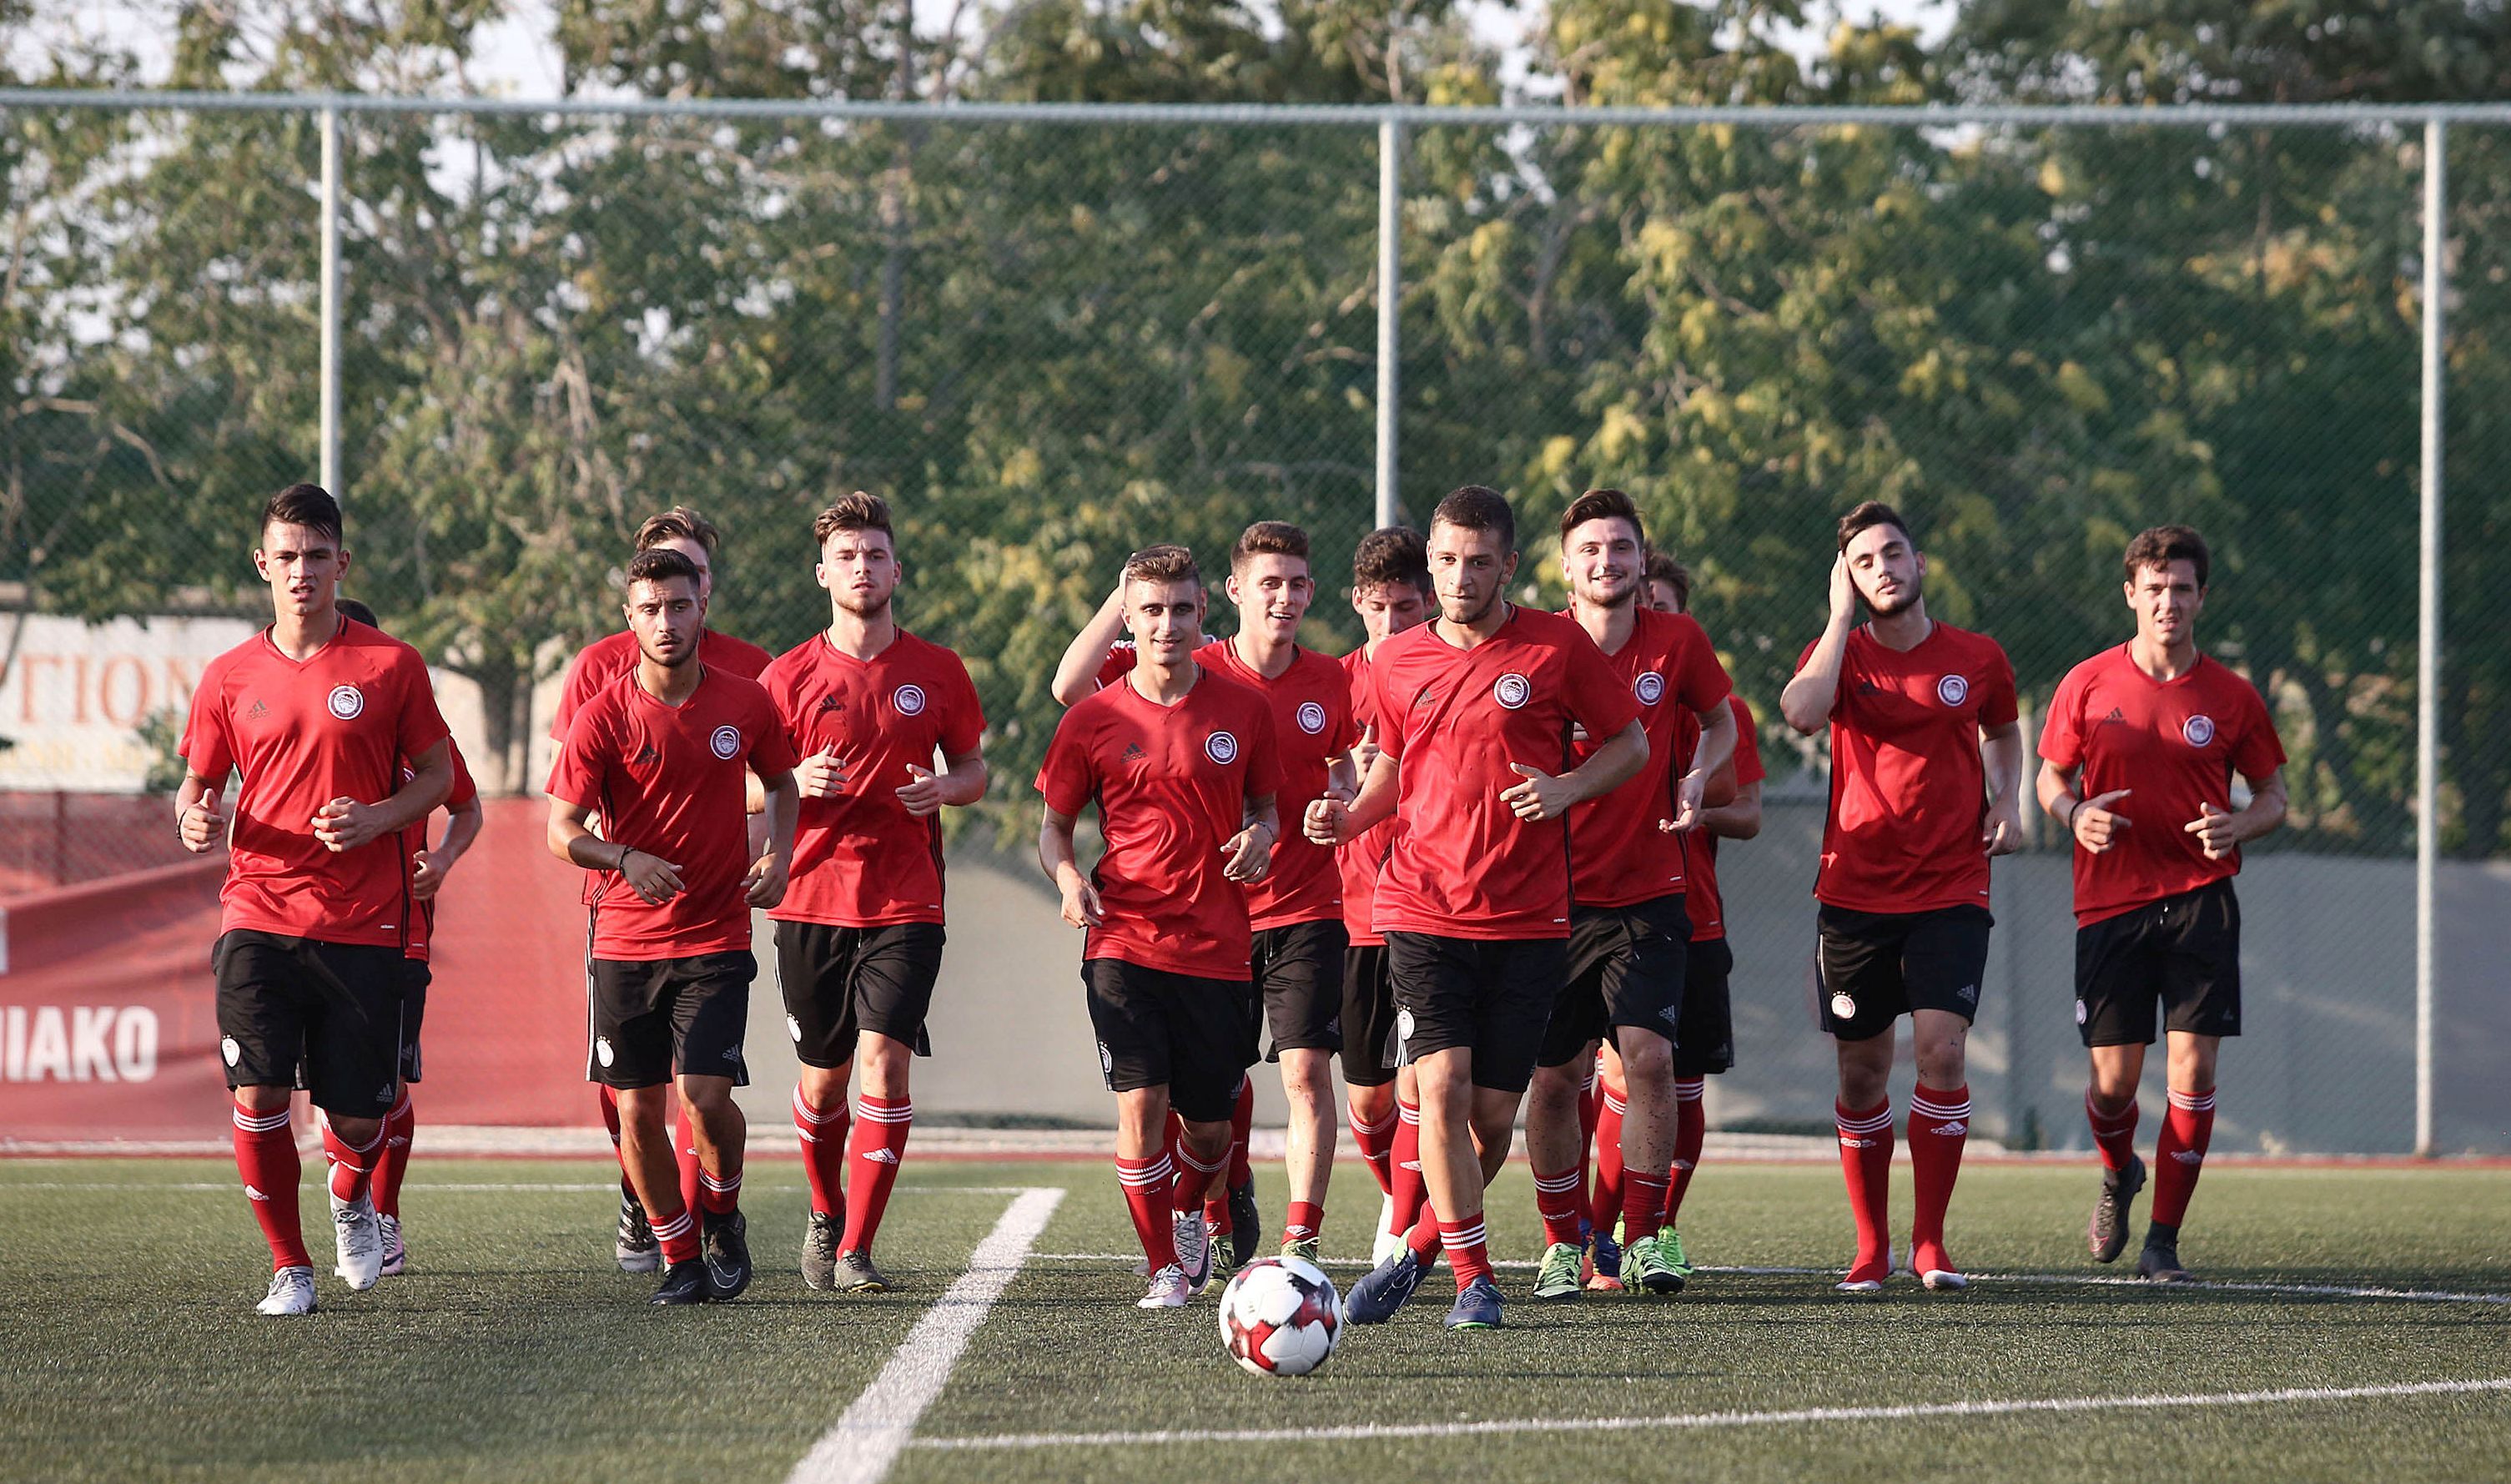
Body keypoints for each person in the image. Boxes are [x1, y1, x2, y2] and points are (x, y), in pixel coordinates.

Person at [1311, 485, 1648, 1331]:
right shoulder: (1393, 662)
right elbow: (1390, 766)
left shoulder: (1556, 647)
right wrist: (1346, 817)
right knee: (1443, 1084)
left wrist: (1567, 787)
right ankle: (1474, 1280)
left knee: (1494, 1117)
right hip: (1420, 906)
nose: (1461, 577)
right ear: (1430, 563)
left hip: (1530, 918)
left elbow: (1631, 743)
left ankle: (1418, 1249)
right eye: (1448, 561)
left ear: (1509, 564)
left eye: (1478, 562)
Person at [176, 484, 455, 1315]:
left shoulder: (390, 665)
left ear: (342, 564)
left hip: (364, 923)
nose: (301, 572)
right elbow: (197, 782)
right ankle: (289, 1268)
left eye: (316, 557)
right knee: (257, 1094)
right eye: (286, 557)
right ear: (262, 566)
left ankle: (352, 1194)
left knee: (358, 1121)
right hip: (258, 910)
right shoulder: (228, 675)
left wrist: (377, 817)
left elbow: (440, 777)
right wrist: (194, 815)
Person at [1055, 525, 1358, 1268]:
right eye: (1268, 583)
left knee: (1270, 1085)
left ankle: (1273, 1220)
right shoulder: (1155, 671)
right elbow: (1069, 687)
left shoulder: (1304, 686)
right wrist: (1126, 590)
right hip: (1160, 925)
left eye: (1295, 584)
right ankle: (1193, 1228)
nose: (1282, 598)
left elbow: (1335, 773)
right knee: (1166, 1098)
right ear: (1234, 594)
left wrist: (1319, 810)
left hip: (1284, 910)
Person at [1780, 501, 2023, 1294]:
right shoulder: (1840, 657)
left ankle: (1930, 1243)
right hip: (1854, 892)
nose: (1882, 567)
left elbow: (2002, 728)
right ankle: (1871, 1244)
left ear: (1920, 564)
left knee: (1945, 1051)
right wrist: (1837, 618)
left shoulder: (1978, 656)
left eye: (1893, 553)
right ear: (1847, 579)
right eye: (1863, 561)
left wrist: (2007, 798)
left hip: (1952, 884)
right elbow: (1800, 714)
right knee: (1861, 1075)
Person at [546, 546, 799, 1305]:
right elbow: (560, 830)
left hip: (716, 935)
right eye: (650, 609)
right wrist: (623, 856)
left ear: (702, 608)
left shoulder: (745, 703)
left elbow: (783, 785)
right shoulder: (604, 714)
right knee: (635, 1108)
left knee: (706, 1096)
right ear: (630, 619)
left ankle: (721, 1212)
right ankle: (679, 1255)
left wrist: (780, 854)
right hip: (624, 941)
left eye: (679, 606)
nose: (666, 621)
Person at [2037, 525, 2287, 1283]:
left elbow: (2275, 796)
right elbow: (2050, 780)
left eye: (2182, 589)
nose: (2168, 601)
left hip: (2200, 899)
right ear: (2131, 595)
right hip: (2109, 905)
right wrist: (2074, 814)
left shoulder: (2232, 696)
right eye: (2155, 588)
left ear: (2201, 597)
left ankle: (2163, 1244)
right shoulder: (2086, 683)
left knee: (2194, 1068)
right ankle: (2118, 1169)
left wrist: (2240, 822)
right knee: (2113, 1086)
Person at [1035, 546, 1281, 1308]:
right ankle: (1162, 1269)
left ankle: (1188, 1209)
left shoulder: (1245, 709)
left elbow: (1267, 810)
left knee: (1208, 1131)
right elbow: (1053, 828)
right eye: (1151, 609)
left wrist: (1262, 837)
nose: (1166, 623)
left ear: (1203, 611)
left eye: (1180, 608)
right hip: (1123, 939)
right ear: (1129, 620)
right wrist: (1071, 876)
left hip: (1216, 950)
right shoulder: (1094, 717)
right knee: (1141, 1102)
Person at [757, 494, 988, 1295]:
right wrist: (789, 785)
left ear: (897, 568)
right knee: (823, 1083)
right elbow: (739, 788)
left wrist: (944, 789)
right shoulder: (784, 676)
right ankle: (825, 1211)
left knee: (884, 1065)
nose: (863, 568)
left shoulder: (939, 669)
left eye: (876, 555)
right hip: (810, 898)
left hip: (905, 900)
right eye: (848, 556)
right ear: (824, 572)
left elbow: (974, 771)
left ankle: (855, 1246)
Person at [1522, 491, 1734, 1302]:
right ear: (1565, 566)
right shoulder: (1537, 645)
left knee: (1648, 1059)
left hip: (1650, 894)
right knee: (1553, 1079)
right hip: (1550, 899)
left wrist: (1696, 773)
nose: (1605, 560)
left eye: (1619, 547)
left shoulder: (1676, 639)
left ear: (1641, 560)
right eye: (1590, 549)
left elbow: (1716, 722)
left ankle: (1642, 1237)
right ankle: (1560, 1243)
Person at [333, 598, 483, 1280]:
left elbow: (466, 804)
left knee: (387, 1084)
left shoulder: (407, 718)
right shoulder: (312, 725)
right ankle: (350, 1202)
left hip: (398, 934)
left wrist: (442, 860)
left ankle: (379, 1211)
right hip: (306, 929)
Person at [1336, 528, 1434, 1266]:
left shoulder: (1442, 671)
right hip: (1354, 912)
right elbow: (1296, 792)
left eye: (1406, 606)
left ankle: (1402, 1231)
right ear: (1358, 605)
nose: (1393, 623)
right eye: (1379, 608)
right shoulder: (1334, 684)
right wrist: (1344, 779)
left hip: (1429, 906)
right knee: (1368, 1101)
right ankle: (1395, 1193)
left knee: (1419, 1083)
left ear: (1427, 601)